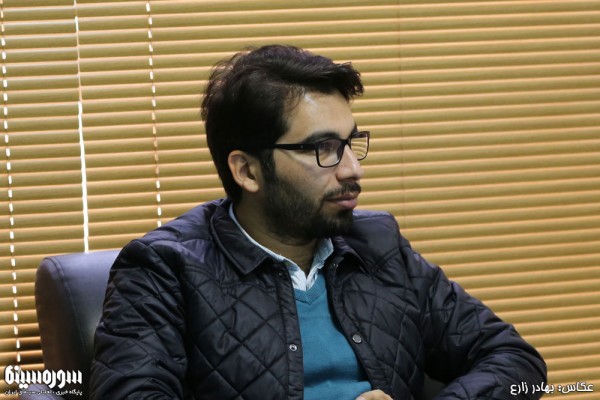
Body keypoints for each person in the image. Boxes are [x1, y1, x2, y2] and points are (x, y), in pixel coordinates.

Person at [90, 44, 546, 400]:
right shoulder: (164, 269)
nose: (352, 170)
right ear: (247, 171)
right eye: (323, 149)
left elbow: (513, 359)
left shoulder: (378, 245)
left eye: (351, 142)